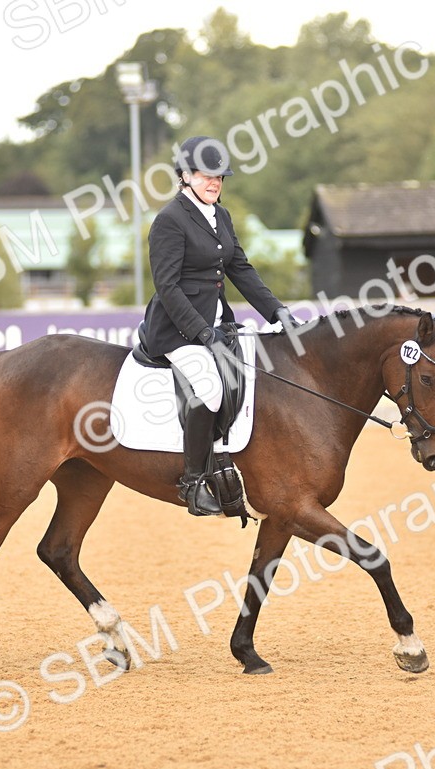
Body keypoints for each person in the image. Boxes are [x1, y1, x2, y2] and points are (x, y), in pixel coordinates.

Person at [140, 135, 296, 516]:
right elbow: (168, 285)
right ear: (185, 176)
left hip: (216, 323)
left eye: (220, 177)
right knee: (209, 388)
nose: (214, 183)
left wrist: (277, 312)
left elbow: (240, 269)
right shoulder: (170, 220)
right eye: (206, 176)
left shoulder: (220, 216)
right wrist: (201, 331)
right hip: (176, 329)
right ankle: (192, 483)